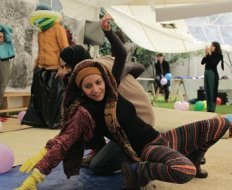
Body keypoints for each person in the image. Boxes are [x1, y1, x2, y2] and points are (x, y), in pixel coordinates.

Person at [16, 14, 231, 190]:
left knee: (221, 124)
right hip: (145, 149)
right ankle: (139, 172)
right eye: (88, 86)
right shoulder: (84, 111)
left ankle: (195, 156)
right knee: (184, 170)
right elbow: (63, 141)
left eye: (98, 82)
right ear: (80, 88)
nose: (95, 89)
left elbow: (120, 54)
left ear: (104, 79)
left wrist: (108, 31)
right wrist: (36, 176)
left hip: (162, 138)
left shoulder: (111, 88)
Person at [21, 3, 69, 129]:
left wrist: (64, 67)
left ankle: (54, 121)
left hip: (55, 69)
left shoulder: (58, 28)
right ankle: (41, 120)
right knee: (40, 97)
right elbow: (41, 50)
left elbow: (65, 49)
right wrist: (36, 65)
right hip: (42, 68)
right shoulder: (41, 33)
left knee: (54, 97)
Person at [201, 42, 224, 112]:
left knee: (212, 91)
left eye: (212, 46)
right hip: (206, 73)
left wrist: (209, 53)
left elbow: (213, 63)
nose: (210, 47)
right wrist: (206, 54)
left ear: (215, 47)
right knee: (207, 91)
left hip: (212, 74)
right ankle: (209, 109)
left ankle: (212, 109)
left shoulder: (219, 55)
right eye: (210, 45)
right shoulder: (209, 54)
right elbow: (202, 62)